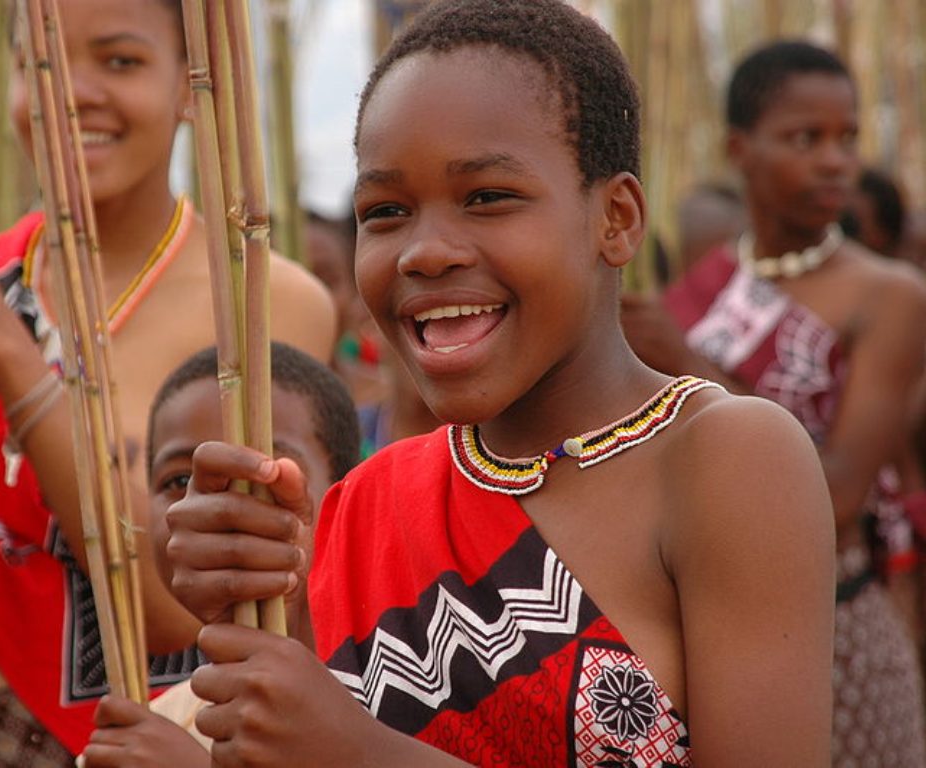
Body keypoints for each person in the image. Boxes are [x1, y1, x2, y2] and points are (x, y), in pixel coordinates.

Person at [162, 2, 835, 766]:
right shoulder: (362, 508)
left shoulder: (728, 458)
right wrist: (247, 601)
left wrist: (362, 755)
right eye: (384, 212)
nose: (425, 251)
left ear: (615, 218)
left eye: (487, 197)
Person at [0, 0, 336, 761]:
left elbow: (192, 606)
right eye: (41, 62)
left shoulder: (261, 302)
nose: (73, 93)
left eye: (120, 60)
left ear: (188, 85)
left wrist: (7, 352)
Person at [622, 40, 926, 767]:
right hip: (699, 627)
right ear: (740, 149)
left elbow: (842, 491)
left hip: (834, 632)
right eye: (804, 138)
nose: (834, 161)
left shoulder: (888, 296)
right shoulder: (708, 280)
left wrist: (690, 365)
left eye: (846, 138)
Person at [79, 342, 361, 766]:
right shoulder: (155, 731)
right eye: (178, 480)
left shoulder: (405, 694)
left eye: (265, 478)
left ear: (348, 494)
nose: (215, 506)